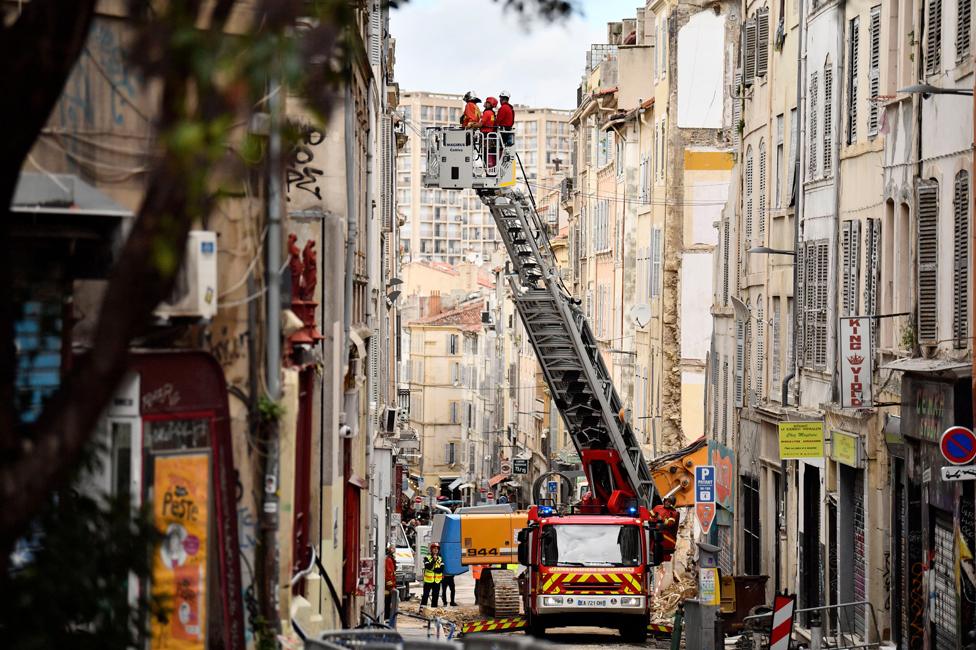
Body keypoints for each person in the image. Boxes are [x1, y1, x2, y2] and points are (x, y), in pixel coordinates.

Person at [651, 495, 680, 561]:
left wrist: (662, 519)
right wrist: (653, 518)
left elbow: (670, 523)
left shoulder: (673, 513)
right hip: (653, 528)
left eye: (669, 502)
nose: (667, 503)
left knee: (657, 533)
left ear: (672, 504)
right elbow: (650, 515)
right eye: (666, 501)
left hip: (665, 535)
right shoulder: (658, 507)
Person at [420, 542, 444, 609]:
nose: (436, 550)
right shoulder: (427, 558)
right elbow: (428, 567)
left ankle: (433, 610)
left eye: (437, 548)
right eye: (434, 548)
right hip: (428, 581)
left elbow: (441, 569)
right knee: (425, 595)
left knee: (435, 596)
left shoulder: (440, 558)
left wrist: (433, 569)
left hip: (437, 581)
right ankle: (422, 610)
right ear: (431, 549)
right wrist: (434, 560)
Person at [384, 546, 398, 627]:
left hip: (389, 585)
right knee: (387, 601)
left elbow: (392, 572)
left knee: (388, 601)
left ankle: (388, 617)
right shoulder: (388, 560)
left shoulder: (390, 559)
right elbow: (388, 574)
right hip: (387, 586)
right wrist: (390, 585)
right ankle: (387, 617)